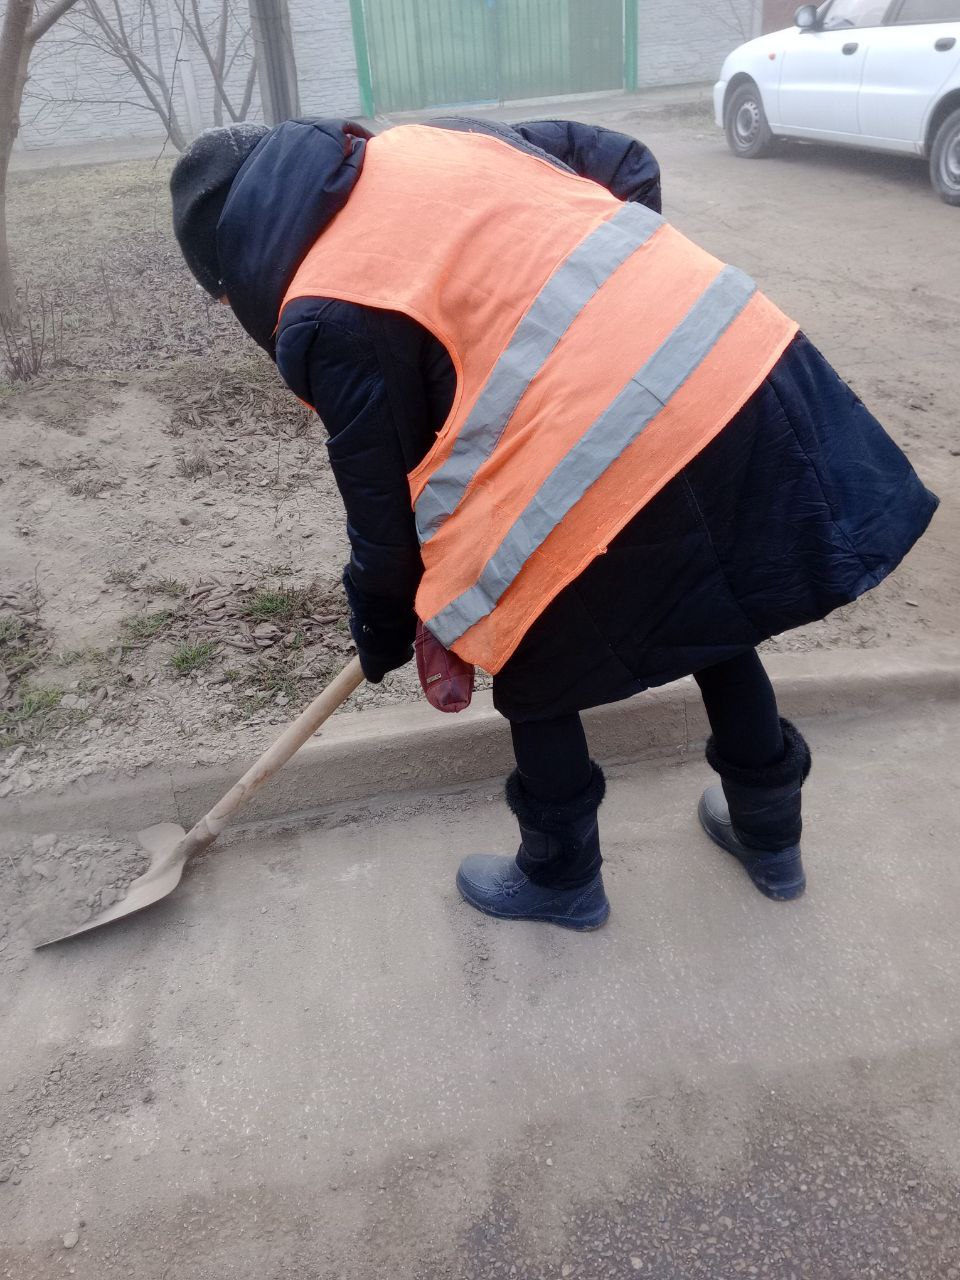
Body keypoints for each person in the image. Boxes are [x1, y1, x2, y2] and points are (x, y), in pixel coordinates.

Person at [170, 117, 937, 931]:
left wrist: (383, 627)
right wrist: (626, 322)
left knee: (516, 632)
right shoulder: (439, 139)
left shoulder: (326, 310)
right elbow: (626, 162)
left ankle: (560, 875)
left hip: (626, 421)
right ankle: (770, 836)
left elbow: (384, 524)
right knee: (714, 608)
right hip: (731, 367)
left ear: (237, 265)